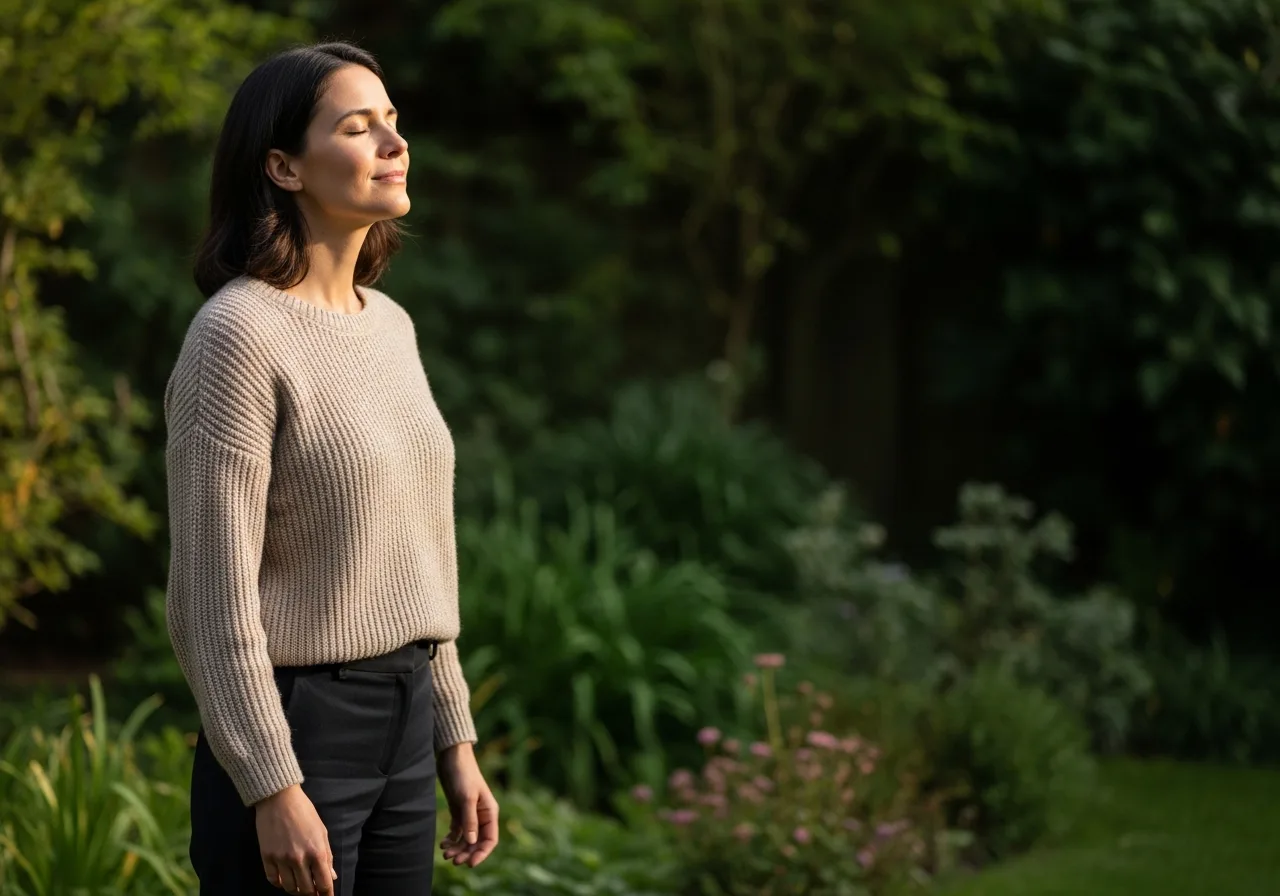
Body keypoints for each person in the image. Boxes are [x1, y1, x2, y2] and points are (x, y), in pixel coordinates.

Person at [164, 41, 499, 896]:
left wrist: (452, 739)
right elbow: (210, 600)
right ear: (282, 166)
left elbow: (420, 554)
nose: (394, 144)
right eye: (359, 128)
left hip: (407, 713)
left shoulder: (390, 326)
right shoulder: (237, 336)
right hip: (297, 729)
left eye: (394, 123)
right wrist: (271, 784)